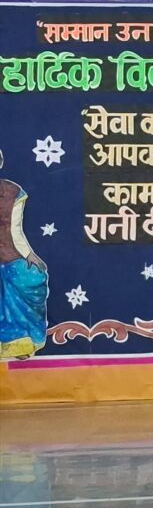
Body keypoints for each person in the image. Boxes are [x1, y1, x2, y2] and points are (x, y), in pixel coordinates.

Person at [0, 149, 50, 360]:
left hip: (9, 254)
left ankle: (17, 343)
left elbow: (15, 229)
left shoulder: (13, 192)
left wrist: (29, 255)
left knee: (32, 277)